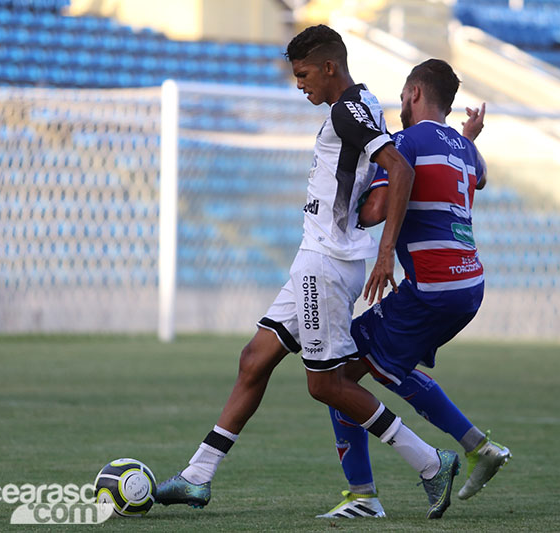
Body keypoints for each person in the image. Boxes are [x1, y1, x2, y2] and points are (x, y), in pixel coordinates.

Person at [155, 25, 462, 519]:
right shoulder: (358, 104)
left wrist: (386, 253)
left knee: (325, 384)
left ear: (328, 67)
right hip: (313, 258)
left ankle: (430, 463)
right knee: (254, 359)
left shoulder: (348, 110)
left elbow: (399, 170)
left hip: (328, 263)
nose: (299, 85)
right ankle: (197, 476)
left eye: (302, 75)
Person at [315, 59, 511, 520]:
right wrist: (469, 137)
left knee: (336, 377)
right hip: (469, 285)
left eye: (403, 96)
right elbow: (477, 175)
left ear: (415, 94)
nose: (400, 106)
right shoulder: (465, 149)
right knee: (390, 369)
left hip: (434, 287)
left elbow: (380, 205)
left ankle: (363, 496)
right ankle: (478, 447)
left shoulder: (405, 142)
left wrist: (348, 212)